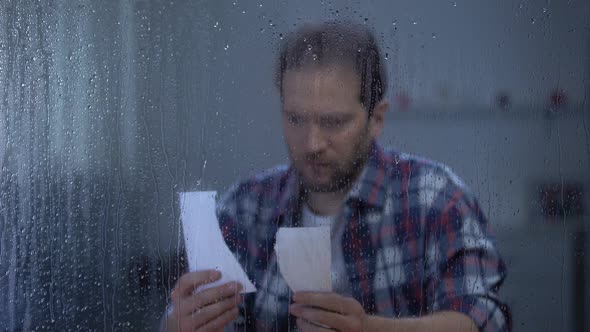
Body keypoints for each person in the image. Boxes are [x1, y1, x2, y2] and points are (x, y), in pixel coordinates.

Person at [164, 20, 511, 332]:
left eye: (333, 122)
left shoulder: (434, 199)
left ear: (377, 119)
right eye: (296, 119)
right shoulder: (246, 207)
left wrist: (371, 330)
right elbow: (200, 318)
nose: (312, 144)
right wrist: (176, 325)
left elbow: (484, 319)